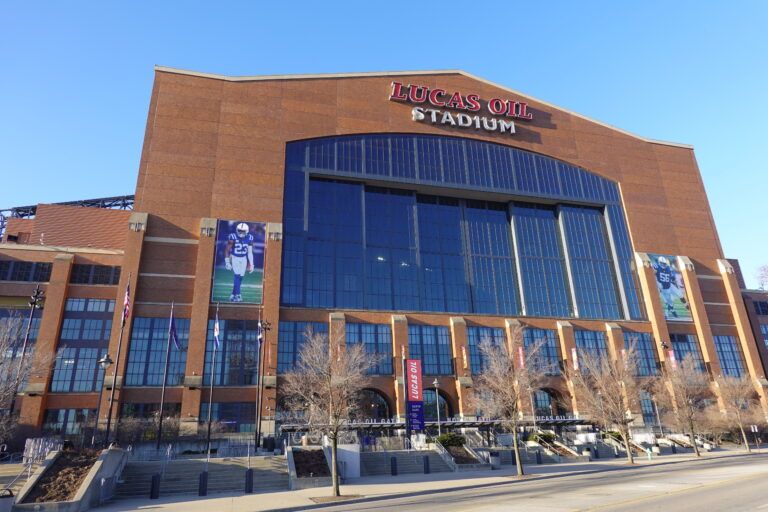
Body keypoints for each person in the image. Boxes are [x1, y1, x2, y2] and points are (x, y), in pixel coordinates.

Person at [224, 222, 255, 302]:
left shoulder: (250, 238)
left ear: (247, 231)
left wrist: (252, 264)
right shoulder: (233, 237)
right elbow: (227, 250)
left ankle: (232, 295)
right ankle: (238, 295)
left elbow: (250, 252)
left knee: (240, 277)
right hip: (235, 257)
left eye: (243, 231)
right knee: (237, 276)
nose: (241, 233)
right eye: (239, 231)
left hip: (244, 258)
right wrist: (227, 262)